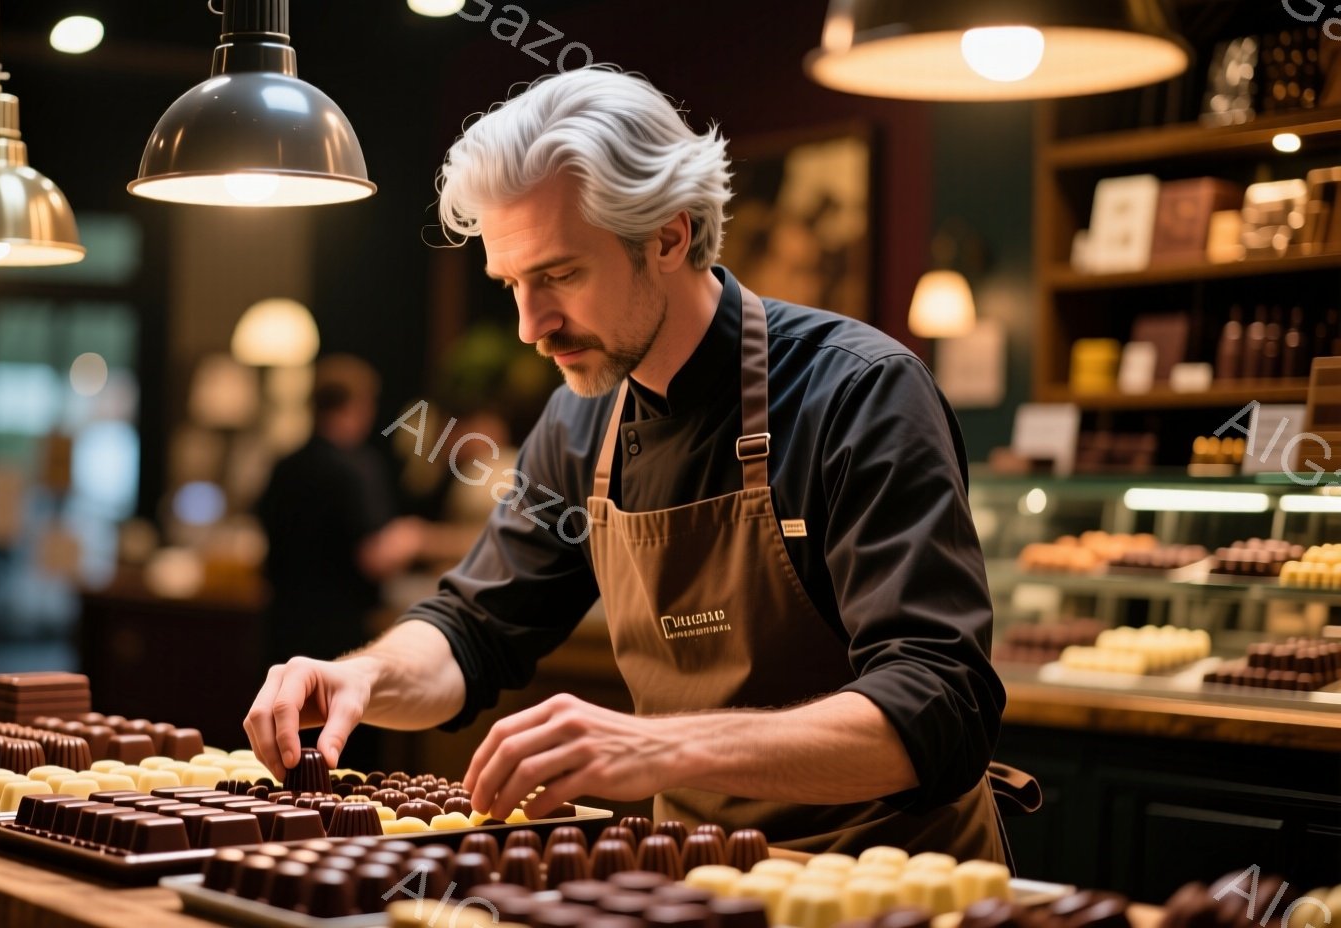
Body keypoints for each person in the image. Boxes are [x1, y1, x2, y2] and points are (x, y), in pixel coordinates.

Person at [245, 68, 1017, 859]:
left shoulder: (858, 392)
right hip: (698, 878)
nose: (529, 326)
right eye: (511, 283)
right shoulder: (581, 420)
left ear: (670, 235)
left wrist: (660, 748)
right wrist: (365, 679)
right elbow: (475, 630)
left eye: (560, 275)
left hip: (894, 883)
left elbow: (939, 705)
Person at [256, 354, 426, 667]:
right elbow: (374, 558)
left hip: (280, 630)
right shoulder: (357, 468)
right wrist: (413, 539)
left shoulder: (284, 467)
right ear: (360, 405)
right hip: (339, 637)